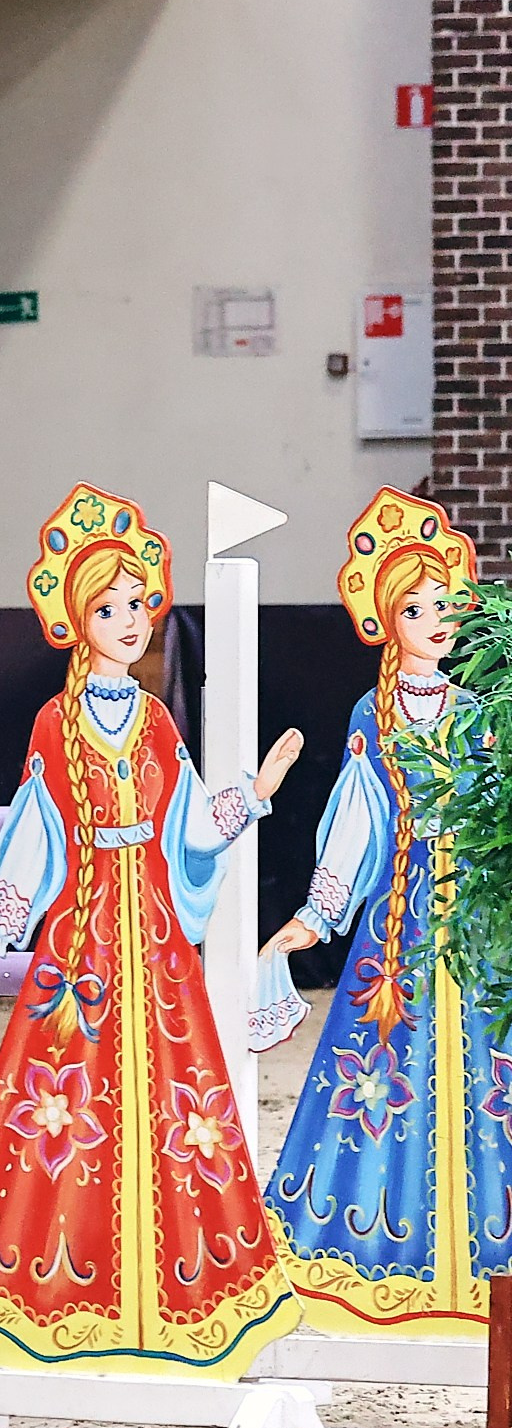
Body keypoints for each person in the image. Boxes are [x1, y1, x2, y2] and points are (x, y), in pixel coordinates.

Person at [0, 485, 304, 1377]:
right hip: (84, 941)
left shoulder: (159, 721)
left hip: (158, 946)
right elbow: (36, 829)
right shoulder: (55, 725)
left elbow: (191, 826)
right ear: (76, 620)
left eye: (139, 604)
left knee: (178, 1103)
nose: (130, 620)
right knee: (64, 1106)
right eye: (109, 606)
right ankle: (66, 1293)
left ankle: (173, 1297)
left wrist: (252, 794)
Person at [258, 488, 512, 1335]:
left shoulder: (481, 715)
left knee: (489, 1069)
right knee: (377, 1068)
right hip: (399, 922)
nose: (435, 618)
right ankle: (382, 1255)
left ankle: (484, 1259)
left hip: (475, 920)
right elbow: (359, 817)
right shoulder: (375, 716)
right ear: (385, 619)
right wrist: (319, 911)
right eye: (415, 605)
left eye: (444, 603)